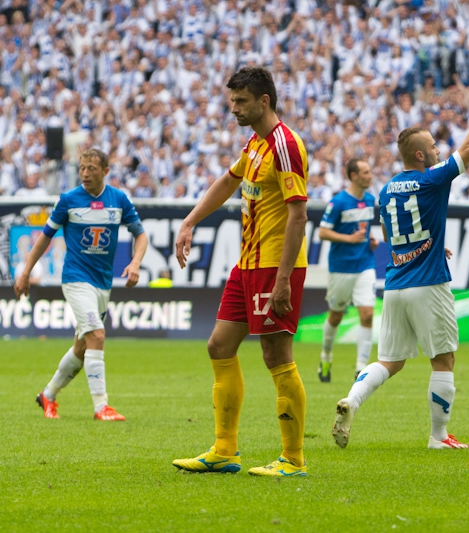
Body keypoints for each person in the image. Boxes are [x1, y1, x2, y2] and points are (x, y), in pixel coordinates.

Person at [331, 79, 469, 451]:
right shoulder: (432, 180)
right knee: (443, 360)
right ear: (419, 156)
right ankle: (438, 436)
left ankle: (352, 399)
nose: (437, 150)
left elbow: (394, 235)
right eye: (432, 147)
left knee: (389, 361)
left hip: (396, 284)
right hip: (429, 283)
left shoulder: (385, 191)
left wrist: (429, 245)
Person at [172, 66, 310, 477]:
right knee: (218, 346)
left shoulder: (285, 145)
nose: (233, 109)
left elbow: (298, 215)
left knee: (275, 354)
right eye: (232, 101)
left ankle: (294, 459)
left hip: (274, 266)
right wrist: (190, 221)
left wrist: (284, 278)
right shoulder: (255, 144)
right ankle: (225, 450)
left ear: (263, 101)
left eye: (241, 102)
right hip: (246, 265)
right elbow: (228, 182)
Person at [13, 148, 148, 421]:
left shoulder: (119, 200)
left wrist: (135, 263)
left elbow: (141, 235)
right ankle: (101, 407)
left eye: (91, 168)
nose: (85, 173)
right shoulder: (69, 200)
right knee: (97, 336)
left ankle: (47, 395)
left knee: (82, 346)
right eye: (82, 168)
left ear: (106, 171)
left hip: (102, 283)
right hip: (76, 279)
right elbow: (44, 237)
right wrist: (26, 270)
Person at [317, 158, 379, 383]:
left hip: (365, 264)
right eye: (365, 172)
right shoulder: (338, 202)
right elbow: (322, 232)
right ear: (353, 176)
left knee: (367, 314)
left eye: (370, 171)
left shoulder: (371, 200)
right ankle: (325, 356)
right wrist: (349, 239)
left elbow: (363, 230)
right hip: (341, 268)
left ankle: (360, 369)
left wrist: (369, 242)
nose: (370, 175)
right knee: (335, 315)